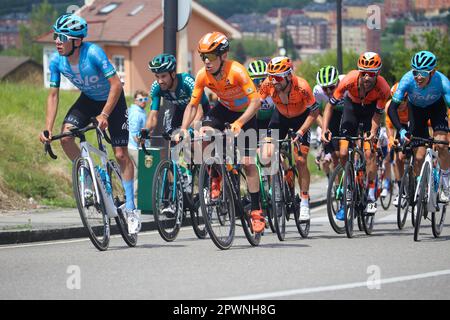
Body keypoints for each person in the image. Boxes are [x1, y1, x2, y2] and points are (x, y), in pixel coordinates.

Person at [39, 14, 140, 233]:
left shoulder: (93, 53)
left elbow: (115, 85)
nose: (57, 41)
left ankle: (131, 209)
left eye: (62, 37)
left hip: (112, 101)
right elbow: (53, 96)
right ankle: (89, 177)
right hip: (88, 100)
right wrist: (47, 128)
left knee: (121, 154)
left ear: (76, 41)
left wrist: (104, 114)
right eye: (56, 35)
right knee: (65, 137)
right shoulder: (57, 61)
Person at [178, 31, 265, 233]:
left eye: (210, 57)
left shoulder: (237, 71)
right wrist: (183, 129)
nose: (206, 62)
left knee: (247, 162)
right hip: (223, 108)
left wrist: (240, 123)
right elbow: (192, 106)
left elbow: (256, 102)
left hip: (246, 113)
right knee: (203, 133)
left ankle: (256, 211)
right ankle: (216, 175)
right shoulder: (202, 75)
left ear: (223, 56)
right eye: (203, 57)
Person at [322, 52, 391, 218]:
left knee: (369, 153)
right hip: (351, 108)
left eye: (372, 74)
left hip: (370, 112)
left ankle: (370, 192)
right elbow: (330, 106)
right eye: (364, 73)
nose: (367, 78)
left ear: (378, 74)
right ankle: (349, 186)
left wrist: (373, 132)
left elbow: (378, 114)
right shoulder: (349, 80)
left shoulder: (383, 88)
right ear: (359, 71)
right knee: (344, 152)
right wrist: (325, 128)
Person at [260, 56, 320, 221]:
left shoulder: (302, 87)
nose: (274, 82)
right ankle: (278, 186)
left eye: (278, 78)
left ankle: (305, 201)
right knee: (266, 155)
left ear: (288, 76)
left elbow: (314, 112)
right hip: (280, 118)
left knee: (300, 160)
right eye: (272, 78)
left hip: (301, 119)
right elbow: (255, 104)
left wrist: (301, 131)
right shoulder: (267, 85)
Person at [388, 50, 450, 202]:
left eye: (423, 73)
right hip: (416, 112)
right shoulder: (407, 80)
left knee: (441, 144)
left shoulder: (442, 82)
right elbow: (391, 108)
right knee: (419, 157)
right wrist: (401, 130)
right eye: (415, 72)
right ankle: (420, 188)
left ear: (433, 72)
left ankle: (445, 183)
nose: (418, 77)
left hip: (437, 109)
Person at [144, 53, 209, 135]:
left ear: (173, 74)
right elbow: (153, 115)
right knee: (173, 137)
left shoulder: (187, 82)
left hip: (199, 109)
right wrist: (146, 131)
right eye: (157, 76)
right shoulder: (156, 87)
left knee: (196, 138)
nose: (160, 81)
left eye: (163, 76)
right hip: (181, 110)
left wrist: (189, 130)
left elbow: (200, 113)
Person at [313, 65, 345, 178]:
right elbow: (315, 113)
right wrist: (324, 128)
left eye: (331, 87)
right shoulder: (317, 91)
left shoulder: (346, 83)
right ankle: (339, 187)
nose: (328, 91)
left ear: (337, 82)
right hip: (333, 115)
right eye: (324, 88)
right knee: (335, 155)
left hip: (349, 112)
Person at [385, 82, 409, 206]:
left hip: (416, 124)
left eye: (402, 101)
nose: (399, 104)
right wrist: (390, 138)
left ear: (407, 98)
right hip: (401, 127)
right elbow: (389, 126)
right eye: (396, 101)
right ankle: (401, 191)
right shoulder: (390, 106)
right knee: (397, 158)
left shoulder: (413, 104)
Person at [128, 90, 149, 194]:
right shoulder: (136, 113)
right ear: (135, 100)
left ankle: (129, 194)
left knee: (135, 172)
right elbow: (134, 131)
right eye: (140, 99)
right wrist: (141, 143)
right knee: (144, 171)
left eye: (145, 99)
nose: (143, 101)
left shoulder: (138, 111)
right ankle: (132, 194)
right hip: (135, 147)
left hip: (132, 146)